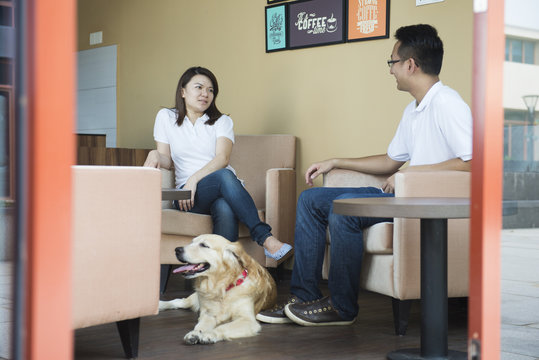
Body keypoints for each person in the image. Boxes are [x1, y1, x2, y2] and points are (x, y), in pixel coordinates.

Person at [256, 24, 472, 325]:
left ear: (410, 64)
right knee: (311, 200)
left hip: (425, 202)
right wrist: (336, 160)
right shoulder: (414, 109)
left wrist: (412, 175)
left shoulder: (448, 103)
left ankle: (342, 309)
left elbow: (473, 162)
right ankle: (305, 297)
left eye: (392, 62)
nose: (390, 70)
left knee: (346, 209)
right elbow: (389, 160)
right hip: (403, 195)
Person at [144, 66, 292, 260]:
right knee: (225, 177)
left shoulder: (221, 121)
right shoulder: (166, 117)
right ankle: (265, 237)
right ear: (183, 91)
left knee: (224, 205)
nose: (205, 94)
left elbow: (223, 158)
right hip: (186, 195)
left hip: (217, 186)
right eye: (199, 87)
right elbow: (166, 158)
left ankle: (222, 276)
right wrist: (155, 154)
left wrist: (194, 179)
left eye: (211, 90)